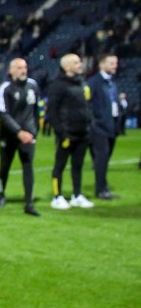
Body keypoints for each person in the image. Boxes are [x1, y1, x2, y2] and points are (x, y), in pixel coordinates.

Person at [46, 53, 94, 210]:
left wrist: (89, 126)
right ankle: (57, 196)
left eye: (79, 61)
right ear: (66, 66)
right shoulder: (58, 85)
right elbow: (52, 111)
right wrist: (61, 131)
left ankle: (77, 195)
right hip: (66, 133)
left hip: (83, 132)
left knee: (78, 165)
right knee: (60, 166)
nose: (80, 64)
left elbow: (86, 107)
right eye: (76, 62)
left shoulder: (81, 83)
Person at [0, 58, 42, 216]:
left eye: (25, 67)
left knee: (28, 166)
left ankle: (29, 203)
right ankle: (1, 194)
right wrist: (18, 132)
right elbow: (3, 114)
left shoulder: (33, 85)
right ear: (11, 70)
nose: (23, 70)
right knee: (5, 166)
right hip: (9, 135)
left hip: (28, 135)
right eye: (20, 67)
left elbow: (36, 109)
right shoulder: (5, 88)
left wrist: (34, 131)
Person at [86, 53, 125, 200]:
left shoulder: (111, 82)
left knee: (105, 159)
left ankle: (103, 186)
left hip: (111, 126)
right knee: (101, 158)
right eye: (111, 63)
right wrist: (94, 122)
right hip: (99, 128)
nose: (115, 66)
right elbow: (87, 104)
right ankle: (100, 189)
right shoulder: (94, 82)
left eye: (115, 63)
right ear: (101, 65)